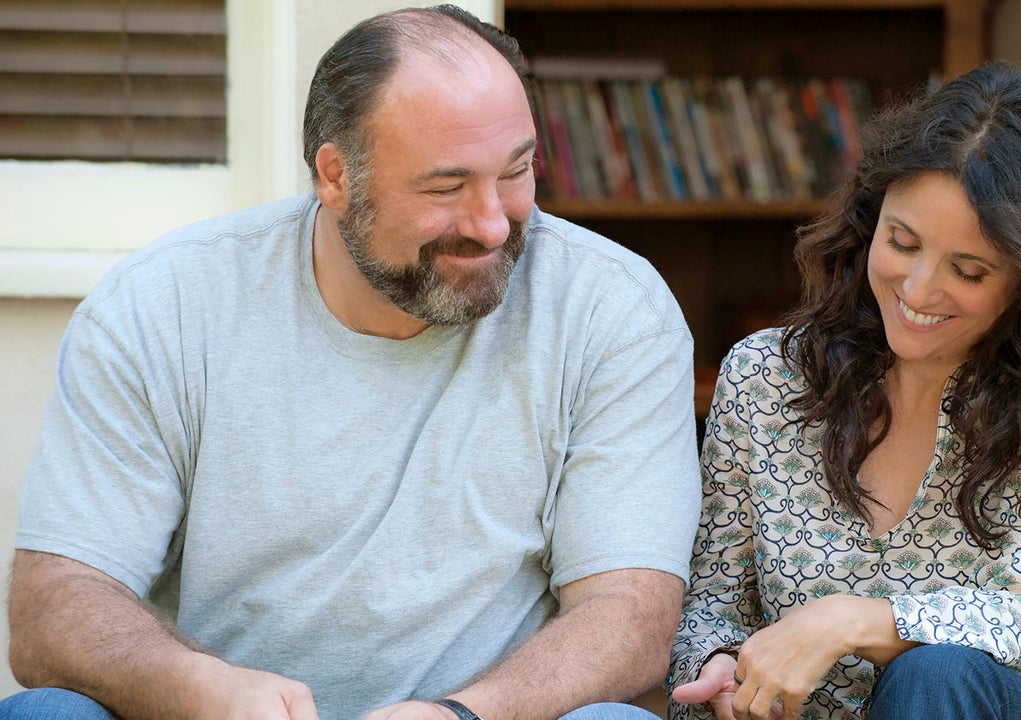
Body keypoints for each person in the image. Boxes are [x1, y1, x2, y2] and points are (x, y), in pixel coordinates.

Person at [4, 6, 700, 720]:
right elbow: (56, 602)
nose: (493, 222)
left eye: (516, 172)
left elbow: (631, 613)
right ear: (335, 176)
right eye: (446, 187)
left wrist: (463, 715)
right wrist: (191, 686)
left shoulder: (614, 309)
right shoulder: (162, 306)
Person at [667, 62, 1021, 720]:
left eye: (969, 270)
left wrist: (846, 621)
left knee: (936, 674)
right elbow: (712, 606)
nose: (919, 291)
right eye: (902, 242)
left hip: (975, 706)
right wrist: (720, 667)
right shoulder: (763, 376)